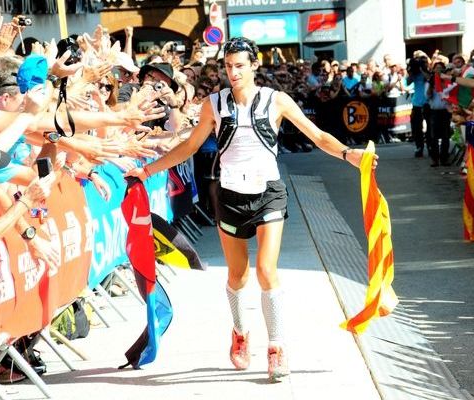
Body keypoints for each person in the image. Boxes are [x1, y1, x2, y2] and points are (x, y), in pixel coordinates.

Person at [125, 37, 377, 382]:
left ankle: (277, 347)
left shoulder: (277, 101)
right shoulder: (213, 105)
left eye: (240, 65)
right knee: (237, 276)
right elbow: (189, 147)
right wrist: (147, 170)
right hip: (230, 196)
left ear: (253, 65)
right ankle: (241, 333)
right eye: (228, 66)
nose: (233, 72)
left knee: (266, 270)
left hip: (268, 193)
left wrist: (350, 155)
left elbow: (317, 136)